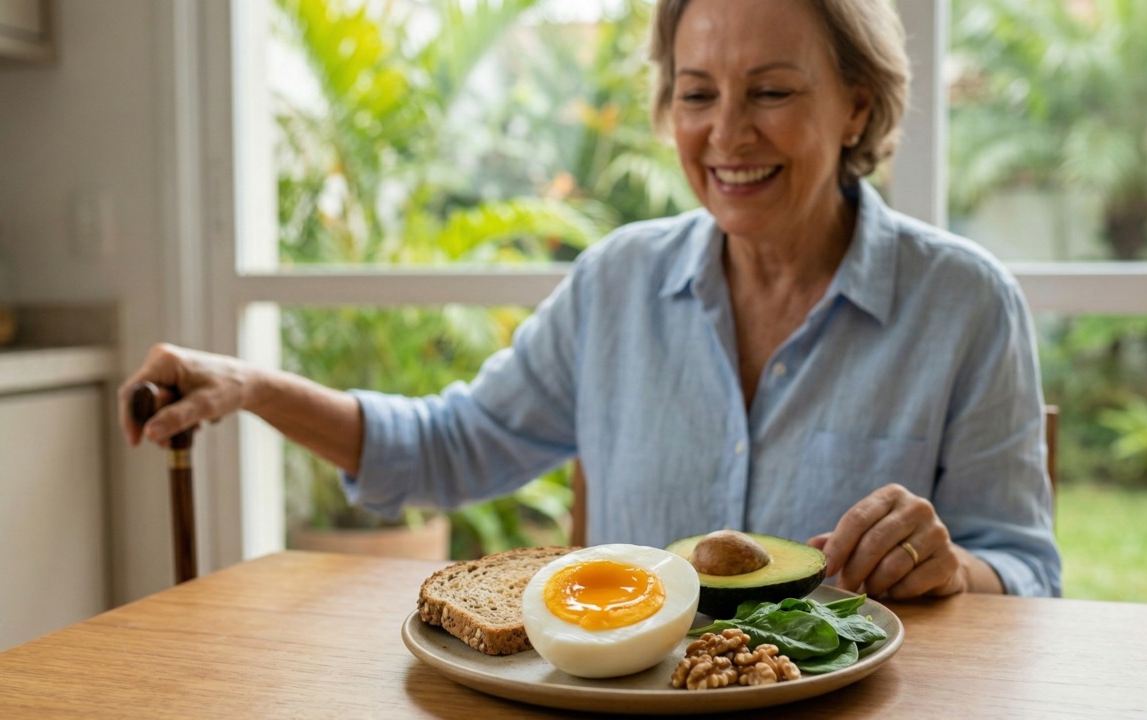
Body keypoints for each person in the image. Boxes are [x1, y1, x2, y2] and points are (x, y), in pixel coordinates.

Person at [120, 0, 1060, 599]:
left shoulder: (964, 304)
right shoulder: (616, 284)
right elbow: (447, 448)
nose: (727, 134)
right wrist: (247, 385)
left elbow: (1026, 573)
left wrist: (953, 569)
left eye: (770, 91)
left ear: (858, 105)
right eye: (697, 94)